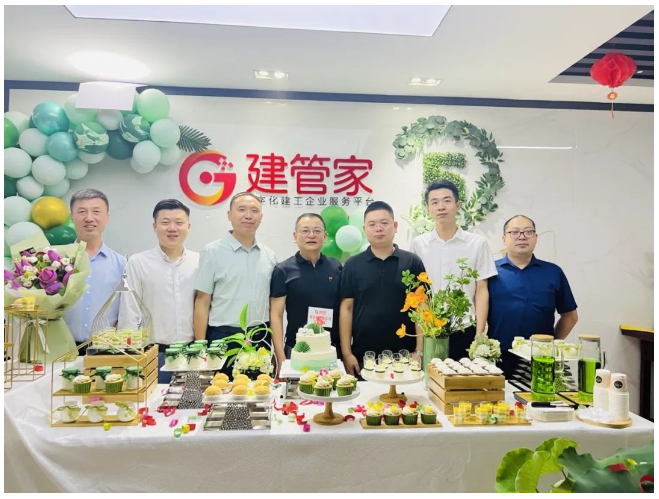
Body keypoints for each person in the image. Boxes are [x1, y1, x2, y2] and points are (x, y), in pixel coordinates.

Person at [411, 180, 497, 359]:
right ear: (428, 208)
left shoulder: (477, 244)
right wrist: (420, 345)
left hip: (465, 328)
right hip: (430, 330)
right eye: (434, 202)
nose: (441, 207)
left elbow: (481, 290)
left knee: (464, 376)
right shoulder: (419, 245)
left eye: (447, 200)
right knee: (431, 376)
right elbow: (418, 293)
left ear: (458, 205)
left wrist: (479, 337)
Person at [340, 201, 425, 376]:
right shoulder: (352, 265)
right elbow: (346, 308)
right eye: (372, 224)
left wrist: (420, 350)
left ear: (395, 226)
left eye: (384, 223)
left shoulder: (412, 262)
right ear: (364, 229)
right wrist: (347, 353)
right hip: (364, 356)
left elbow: (421, 307)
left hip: (406, 356)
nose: (378, 228)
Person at [119, 199, 199, 383]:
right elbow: (130, 311)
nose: (172, 228)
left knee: (193, 400)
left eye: (179, 222)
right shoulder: (138, 262)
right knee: (153, 400)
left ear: (188, 226)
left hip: (193, 354)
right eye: (165, 222)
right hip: (154, 354)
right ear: (154, 226)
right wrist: (131, 356)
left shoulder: (199, 262)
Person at [488, 215, 578, 376]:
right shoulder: (490, 272)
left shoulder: (553, 272)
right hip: (497, 358)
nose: (522, 237)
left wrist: (552, 343)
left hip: (542, 359)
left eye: (528, 232)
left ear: (536, 237)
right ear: (504, 239)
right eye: (514, 232)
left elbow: (570, 316)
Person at [194, 192, 278, 354]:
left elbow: (273, 305)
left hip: (260, 335)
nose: (248, 216)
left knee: (262, 373)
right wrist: (200, 346)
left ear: (261, 217)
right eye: (241, 209)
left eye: (254, 211)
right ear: (229, 215)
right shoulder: (212, 252)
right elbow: (202, 300)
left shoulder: (270, 256)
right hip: (222, 336)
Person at [270, 213, 342, 375]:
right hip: (297, 350)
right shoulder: (283, 270)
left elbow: (346, 309)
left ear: (325, 236)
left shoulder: (336, 267)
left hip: (331, 350)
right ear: (295, 236)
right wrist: (280, 357)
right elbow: (276, 314)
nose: (311, 235)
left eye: (317, 231)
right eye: (305, 231)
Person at [64, 189, 126, 352]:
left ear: (107, 217)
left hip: (106, 350)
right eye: (82, 212)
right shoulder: (57, 261)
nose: (89, 218)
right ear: (72, 217)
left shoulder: (122, 264)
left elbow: (126, 311)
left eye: (96, 211)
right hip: (62, 350)